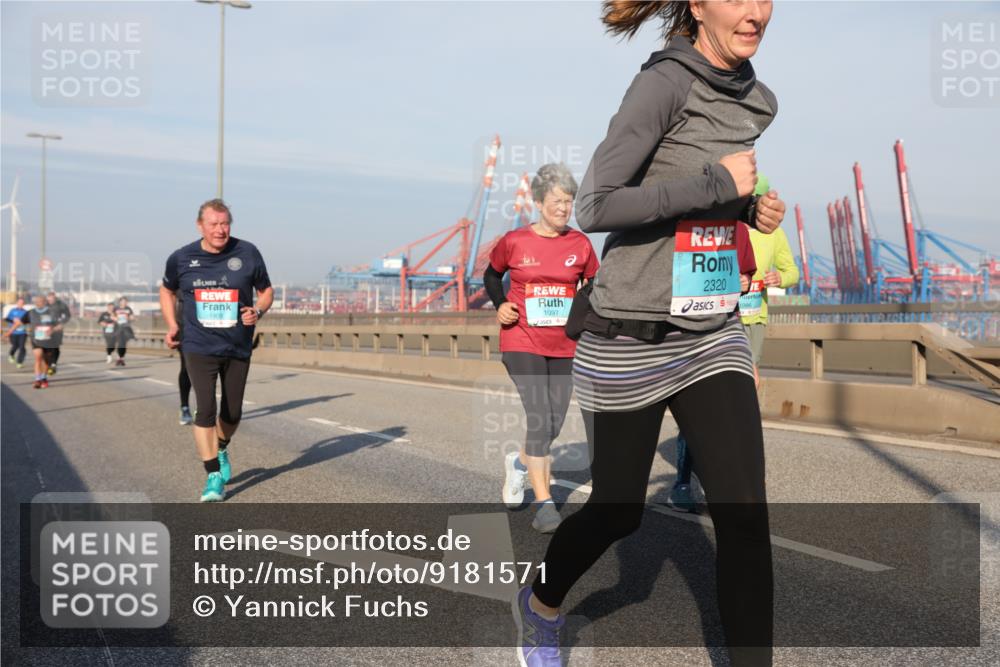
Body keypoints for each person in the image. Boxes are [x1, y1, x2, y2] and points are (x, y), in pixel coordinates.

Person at [512, 3, 786, 667]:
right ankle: (542, 601)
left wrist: (747, 206)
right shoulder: (663, 83)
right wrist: (717, 182)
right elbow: (597, 204)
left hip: (710, 332)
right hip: (629, 335)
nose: (756, 11)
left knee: (746, 515)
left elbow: (699, 196)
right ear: (698, 6)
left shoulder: (755, 97)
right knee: (616, 510)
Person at [484, 163, 599, 534]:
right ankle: (545, 503)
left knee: (553, 420)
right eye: (556, 201)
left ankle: (518, 464)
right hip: (521, 339)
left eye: (569, 202)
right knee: (539, 413)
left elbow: (594, 285)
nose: (564, 209)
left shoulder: (580, 244)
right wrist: (500, 303)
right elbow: (490, 274)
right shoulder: (515, 241)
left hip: (565, 344)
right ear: (538, 202)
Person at [159, 198, 273, 502]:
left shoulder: (247, 252)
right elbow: (166, 289)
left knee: (232, 413)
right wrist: (172, 325)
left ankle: (221, 448)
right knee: (206, 408)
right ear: (201, 225)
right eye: (214, 224)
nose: (221, 230)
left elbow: (266, 291)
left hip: (237, 344)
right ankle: (212, 476)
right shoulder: (182, 257)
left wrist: (258, 311)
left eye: (225, 224)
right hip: (198, 345)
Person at [668, 178, 768, 514]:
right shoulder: (678, 226)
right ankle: (683, 481)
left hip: (724, 332)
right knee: (696, 417)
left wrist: (743, 281)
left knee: (726, 416)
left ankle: (723, 486)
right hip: (679, 336)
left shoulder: (739, 231)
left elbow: (744, 280)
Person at [738, 174, 799, 385]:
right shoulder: (725, 227)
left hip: (754, 316)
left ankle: (746, 414)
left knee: (749, 369)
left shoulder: (774, 234)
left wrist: (780, 278)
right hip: (723, 314)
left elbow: (792, 272)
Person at [4, 295, 59, 388]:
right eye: (37, 302)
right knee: (38, 358)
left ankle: (44, 378)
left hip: (48, 340)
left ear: (45, 302)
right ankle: (37, 380)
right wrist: (9, 332)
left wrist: (52, 330)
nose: (39, 303)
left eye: (41, 301)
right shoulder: (30, 313)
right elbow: (18, 323)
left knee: (45, 360)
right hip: (36, 339)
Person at [45, 291, 71, 375]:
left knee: (55, 346)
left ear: (55, 298)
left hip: (57, 328)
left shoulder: (61, 305)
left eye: (52, 298)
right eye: (49, 299)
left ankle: (53, 364)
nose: (50, 300)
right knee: (45, 347)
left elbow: (67, 315)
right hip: (45, 328)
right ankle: (48, 363)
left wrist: (61, 324)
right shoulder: (44, 305)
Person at [5, 296, 29, 369]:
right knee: (15, 345)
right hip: (13, 332)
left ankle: (19, 362)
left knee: (22, 347)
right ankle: (11, 355)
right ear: (17, 303)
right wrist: (13, 320)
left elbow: (28, 321)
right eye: (19, 303)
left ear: (24, 304)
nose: (21, 304)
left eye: (22, 303)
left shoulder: (25, 312)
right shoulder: (12, 311)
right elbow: (7, 319)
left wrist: (22, 323)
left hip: (22, 333)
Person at [111, 297, 136, 366]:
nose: (124, 303)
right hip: (118, 328)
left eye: (126, 301)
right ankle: (119, 358)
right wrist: (115, 318)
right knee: (120, 343)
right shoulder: (116, 308)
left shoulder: (128, 309)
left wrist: (131, 318)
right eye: (123, 301)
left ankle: (121, 358)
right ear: (120, 302)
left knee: (124, 344)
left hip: (126, 328)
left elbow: (132, 317)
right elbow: (112, 316)